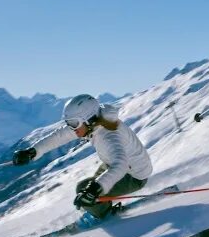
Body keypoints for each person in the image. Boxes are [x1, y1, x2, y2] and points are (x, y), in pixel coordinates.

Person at [12, 94, 154, 222]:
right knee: (89, 188)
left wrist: (96, 189)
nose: (72, 128)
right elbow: (60, 136)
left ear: (89, 119)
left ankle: (105, 216)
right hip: (116, 164)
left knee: (84, 190)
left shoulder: (109, 136)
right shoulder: (94, 123)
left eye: (73, 123)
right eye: (68, 123)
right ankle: (98, 204)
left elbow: (121, 165)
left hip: (134, 175)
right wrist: (33, 151)